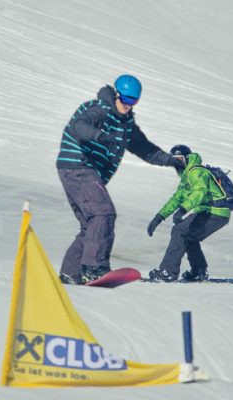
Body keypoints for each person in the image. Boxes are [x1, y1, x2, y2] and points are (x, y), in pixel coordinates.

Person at [56, 74, 184, 284]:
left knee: (91, 225)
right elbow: (79, 126)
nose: (127, 105)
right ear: (115, 94)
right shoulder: (99, 109)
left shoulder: (126, 124)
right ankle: (94, 268)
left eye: (132, 101)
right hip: (78, 165)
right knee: (103, 213)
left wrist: (171, 161)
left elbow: (146, 150)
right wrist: (98, 135)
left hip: (82, 171)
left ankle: (71, 272)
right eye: (124, 99)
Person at [147, 145, 230, 282]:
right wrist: (159, 217)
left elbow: (199, 192)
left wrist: (182, 210)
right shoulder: (187, 176)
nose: (177, 163)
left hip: (214, 211)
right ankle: (198, 271)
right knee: (188, 236)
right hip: (212, 212)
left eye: (179, 159)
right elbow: (177, 198)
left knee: (179, 231)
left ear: (186, 158)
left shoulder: (196, 171)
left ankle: (168, 272)